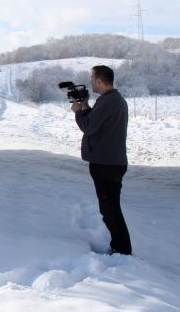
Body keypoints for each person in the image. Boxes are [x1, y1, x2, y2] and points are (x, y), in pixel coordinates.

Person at [71, 65, 132, 255]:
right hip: (111, 161)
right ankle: (120, 247)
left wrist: (78, 111)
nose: (90, 82)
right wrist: (84, 106)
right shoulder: (112, 99)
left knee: (110, 210)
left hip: (107, 164)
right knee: (110, 208)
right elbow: (97, 121)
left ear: (99, 80)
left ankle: (121, 250)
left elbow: (89, 126)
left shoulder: (108, 102)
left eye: (92, 78)